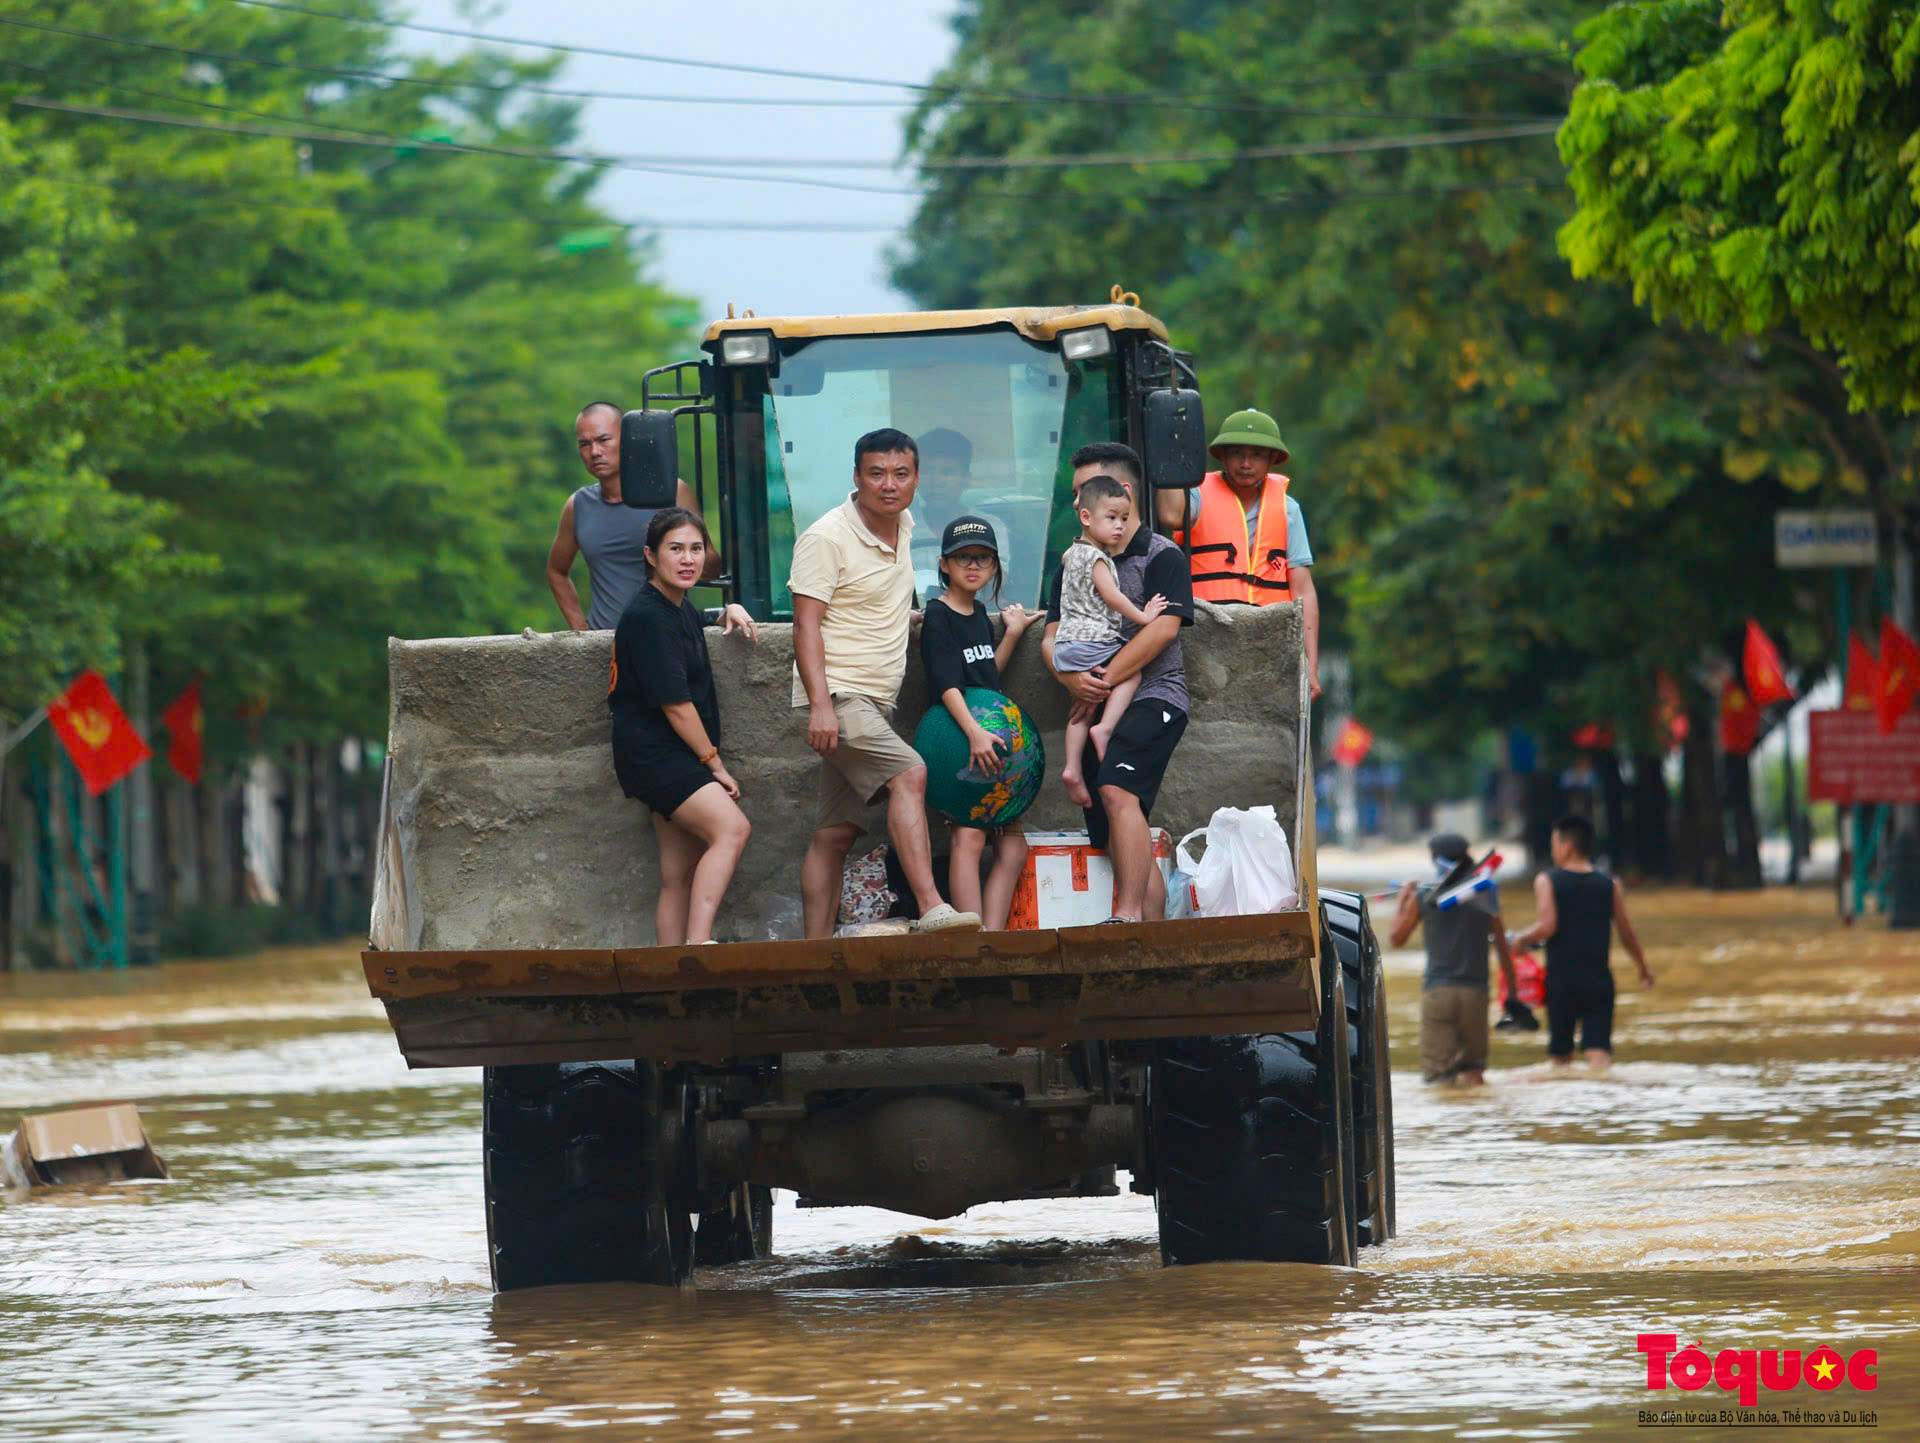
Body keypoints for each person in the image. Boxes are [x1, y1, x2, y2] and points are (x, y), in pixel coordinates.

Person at [790, 427, 982, 938]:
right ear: (856, 477)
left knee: (836, 832)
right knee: (910, 774)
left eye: (900, 474)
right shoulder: (826, 537)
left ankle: (814, 951)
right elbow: (805, 625)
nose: (888, 485)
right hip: (838, 695)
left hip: (876, 700)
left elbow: (877, 601)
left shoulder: (904, 523)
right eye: (876, 474)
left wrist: (914, 620)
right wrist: (820, 706)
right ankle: (932, 907)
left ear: (915, 478)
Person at [1041, 442, 1194, 923]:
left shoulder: (1162, 555)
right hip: (1094, 699)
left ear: (1120, 494)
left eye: (1083, 491)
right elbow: (1050, 635)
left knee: (1118, 793)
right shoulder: (1074, 561)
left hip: (1155, 697)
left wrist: (1103, 678)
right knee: (1114, 828)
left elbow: (1164, 629)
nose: (1075, 504)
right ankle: (1150, 931)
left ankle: (1126, 917)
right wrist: (1069, 679)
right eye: (1074, 495)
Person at [608, 507, 759, 945]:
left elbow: (697, 621)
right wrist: (716, 765)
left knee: (679, 872)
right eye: (675, 549)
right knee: (732, 829)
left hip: (661, 753)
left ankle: (670, 966)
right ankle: (698, 946)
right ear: (651, 556)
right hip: (659, 754)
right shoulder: (650, 617)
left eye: (696, 548)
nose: (688, 558)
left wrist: (727, 607)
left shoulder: (675, 607)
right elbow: (676, 705)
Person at [1156, 407, 1321, 699]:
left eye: (1257, 455)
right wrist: (1173, 452)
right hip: (1205, 633)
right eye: (1236, 454)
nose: (1246, 463)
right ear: (1222, 457)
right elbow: (1170, 515)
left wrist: (1311, 665)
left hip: (1267, 637)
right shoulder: (1198, 493)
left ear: (1272, 460)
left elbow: (1303, 590)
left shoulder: (1288, 509)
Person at [919, 514, 1034, 930]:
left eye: (983, 559)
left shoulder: (979, 612)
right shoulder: (937, 616)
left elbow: (986, 677)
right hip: (960, 739)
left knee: (1013, 849)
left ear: (994, 568)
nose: (973, 566)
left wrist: (1013, 634)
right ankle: (972, 940)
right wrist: (974, 734)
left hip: (991, 741)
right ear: (945, 564)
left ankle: (992, 934)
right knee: (968, 838)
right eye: (963, 557)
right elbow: (947, 685)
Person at [1050, 475, 1169, 806]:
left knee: (1081, 708)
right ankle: (1106, 729)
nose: (1119, 526)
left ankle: (1072, 767)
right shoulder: (1097, 558)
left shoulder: (1071, 554)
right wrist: (1144, 616)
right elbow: (1113, 596)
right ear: (1086, 517)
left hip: (1066, 646)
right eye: (1112, 518)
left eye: (1124, 519)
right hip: (1093, 639)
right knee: (1132, 671)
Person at [1508, 815, 1656, 1069]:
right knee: (1599, 1056)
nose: (1553, 849)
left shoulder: (1547, 881)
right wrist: (1642, 968)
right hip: (1599, 981)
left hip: (1561, 981)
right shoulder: (1611, 883)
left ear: (1566, 846)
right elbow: (1626, 933)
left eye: (1554, 843)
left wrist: (1520, 939)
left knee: (1560, 1059)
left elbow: (1547, 926)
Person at [547, 400, 709, 631]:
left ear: (627, 439)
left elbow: (709, 562)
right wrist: (579, 629)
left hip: (663, 636)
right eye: (584, 444)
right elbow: (556, 571)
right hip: (603, 645)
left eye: (603, 440)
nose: (594, 452)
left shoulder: (672, 493)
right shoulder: (578, 505)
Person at [1389, 833, 1521, 1087]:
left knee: (1440, 1078)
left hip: (1438, 994)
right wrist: (1512, 994)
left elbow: (1396, 938)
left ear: (1437, 860)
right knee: (1474, 1072)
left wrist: (1404, 898)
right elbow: (1503, 949)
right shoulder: (1484, 893)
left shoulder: (1425, 898)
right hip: (1475, 994)